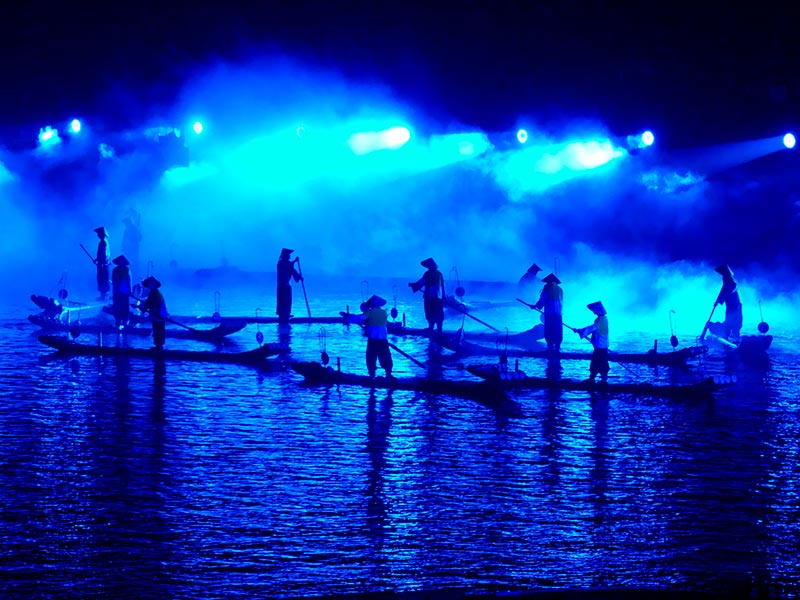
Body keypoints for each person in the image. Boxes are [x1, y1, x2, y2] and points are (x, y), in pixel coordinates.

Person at [409, 257, 445, 333]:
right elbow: (443, 287)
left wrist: (413, 285)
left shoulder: (428, 273)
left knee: (430, 312)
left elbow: (421, 283)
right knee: (438, 312)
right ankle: (439, 329)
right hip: (439, 297)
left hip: (430, 297)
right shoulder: (439, 274)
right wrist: (443, 297)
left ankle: (431, 328)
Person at [578, 301, 609, 383]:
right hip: (602, 345)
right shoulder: (603, 319)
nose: (594, 312)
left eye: (594, 311)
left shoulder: (601, 320)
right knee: (601, 362)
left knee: (598, 362)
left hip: (600, 346)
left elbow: (592, 328)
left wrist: (581, 331)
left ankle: (595, 379)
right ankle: (600, 379)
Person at [363, 295, 394, 379]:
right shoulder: (384, 313)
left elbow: (361, 318)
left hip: (373, 339)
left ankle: (372, 376)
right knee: (386, 356)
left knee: (371, 357)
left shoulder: (370, 312)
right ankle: (388, 374)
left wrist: (349, 317)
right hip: (383, 339)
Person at [533, 273, 563, 353]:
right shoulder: (560, 289)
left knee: (549, 331)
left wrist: (536, 306)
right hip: (558, 315)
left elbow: (542, 299)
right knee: (557, 331)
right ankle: (557, 349)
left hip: (549, 314)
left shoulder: (547, 287)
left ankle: (549, 350)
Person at [713, 264, 743, 342]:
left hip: (735, 303)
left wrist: (719, 300)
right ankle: (728, 335)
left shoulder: (730, 281)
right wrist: (718, 301)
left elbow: (727, 291)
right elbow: (722, 291)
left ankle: (733, 336)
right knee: (730, 319)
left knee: (734, 319)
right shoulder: (727, 279)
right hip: (732, 303)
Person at [276, 248, 302, 323]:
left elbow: (293, 271)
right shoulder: (280, 263)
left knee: (287, 301)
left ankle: (286, 314)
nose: (289, 256)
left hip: (286, 286)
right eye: (288, 255)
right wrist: (294, 261)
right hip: (282, 286)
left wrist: (299, 277)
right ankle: (282, 315)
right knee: (283, 300)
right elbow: (287, 267)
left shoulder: (288, 264)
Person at [141, 276, 168, 349]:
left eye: (151, 284)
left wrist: (145, 306)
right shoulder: (152, 292)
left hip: (158, 314)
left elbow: (153, 303)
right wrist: (144, 305)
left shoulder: (156, 293)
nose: (150, 285)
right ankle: (158, 345)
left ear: (155, 285)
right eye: (149, 284)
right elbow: (149, 302)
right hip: (156, 314)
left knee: (159, 330)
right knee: (157, 329)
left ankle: (159, 345)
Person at [110, 255, 132, 330]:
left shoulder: (127, 270)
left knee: (125, 307)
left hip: (124, 292)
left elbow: (129, 281)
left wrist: (130, 290)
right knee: (117, 307)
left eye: (122, 262)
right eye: (120, 262)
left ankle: (125, 322)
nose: (121, 263)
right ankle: (118, 322)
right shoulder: (115, 270)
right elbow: (113, 281)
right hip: (116, 292)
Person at [121, 210, 142, 275]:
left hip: (134, 248)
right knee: (129, 263)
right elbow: (124, 240)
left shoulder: (135, 229)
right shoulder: (127, 230)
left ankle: (135, 274)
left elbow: (140, 238)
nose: (125, 224)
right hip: (128, 249)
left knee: (134, 262)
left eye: (126, 223)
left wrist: (134, 239)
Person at [94, 226, 110, 301]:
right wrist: (97, 259)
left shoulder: (103, 242)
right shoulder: (104, 242)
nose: (98, 235)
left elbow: (104, 254)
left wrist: (101, 263)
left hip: (103, 264)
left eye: (99, 233)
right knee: (102, 279)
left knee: (103, 279)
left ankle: (103, 296)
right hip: (103, 263)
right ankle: (103, 295)